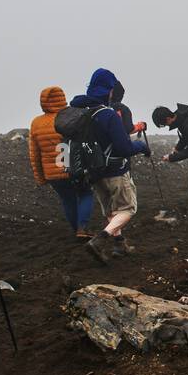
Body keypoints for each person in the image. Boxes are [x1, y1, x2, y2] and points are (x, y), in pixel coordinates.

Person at [69, 68, 151, 263]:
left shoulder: (82, 113)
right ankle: (99, 240)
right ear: (109, 90)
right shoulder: (109, 115)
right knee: (127, 209)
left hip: (94, 172)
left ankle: (119, 245)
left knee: (112, 212)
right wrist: (141, 146)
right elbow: (123, 147)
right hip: (115, 171)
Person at [28, 86, 94, 239]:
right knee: (85, 193)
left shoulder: (36, 123)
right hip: (73, 167)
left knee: (68, 200)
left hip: (52, 173)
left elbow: (35, 154)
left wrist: (40, 177)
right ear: (62, 98)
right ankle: (82, 228)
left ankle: (76, 230)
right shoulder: (70, 117)